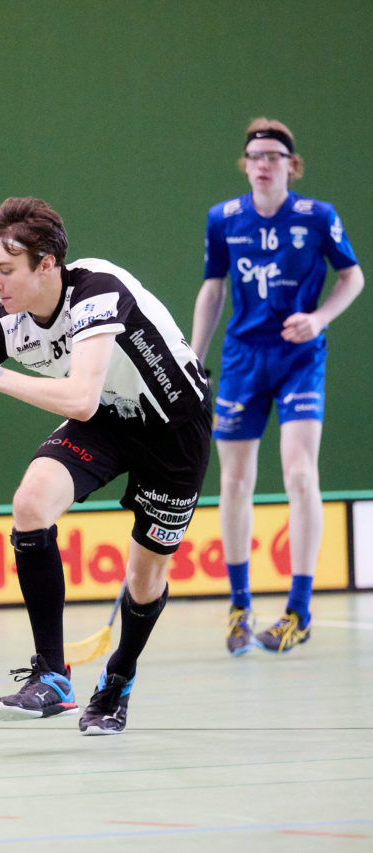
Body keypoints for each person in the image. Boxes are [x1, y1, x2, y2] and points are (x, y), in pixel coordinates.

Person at [0, 197, 212, 735]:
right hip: (107, 421)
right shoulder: (5, 327)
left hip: (173, 430)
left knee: (145, 579)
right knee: (30, 502)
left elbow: (78, 397)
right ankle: (53, 677)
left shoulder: (99, 290)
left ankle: (119, 678)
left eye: (5, 271)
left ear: (47, 264)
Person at [191, 119, 363, 656]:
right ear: (246, 165)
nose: (263, 163)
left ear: (292, 165)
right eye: (254, 155)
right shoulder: (224, 219)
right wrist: (194, 357)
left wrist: (320, 318)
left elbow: (352, 277)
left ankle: (299, 611)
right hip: (243, 359)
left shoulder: (317, 218)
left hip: (299, 357)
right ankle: (240, 605)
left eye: (273, 156)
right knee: (236, 481)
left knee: (298, 472)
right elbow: (213, 289)